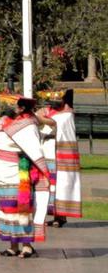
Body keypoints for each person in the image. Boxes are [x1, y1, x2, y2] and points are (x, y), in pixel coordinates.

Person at [0, 93, 50, 257]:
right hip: (2, 172)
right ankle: (13, 245)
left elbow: (35, 151)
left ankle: (27, 246)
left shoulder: (28, 125)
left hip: (19, 172)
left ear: (21, 108)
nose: (6, 108)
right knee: (7, 208)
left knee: (22, 208)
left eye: (11, 105)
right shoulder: (1, 123)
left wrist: (45, 175)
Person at [45, 90, 84, 226]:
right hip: (53, 152)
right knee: (54, 184)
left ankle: (62, 216)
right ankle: (56, 216)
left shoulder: (66, 115)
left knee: (64, 184)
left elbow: (52, 123)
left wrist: (37, 117)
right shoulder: (54, 113)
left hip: (65, 153)